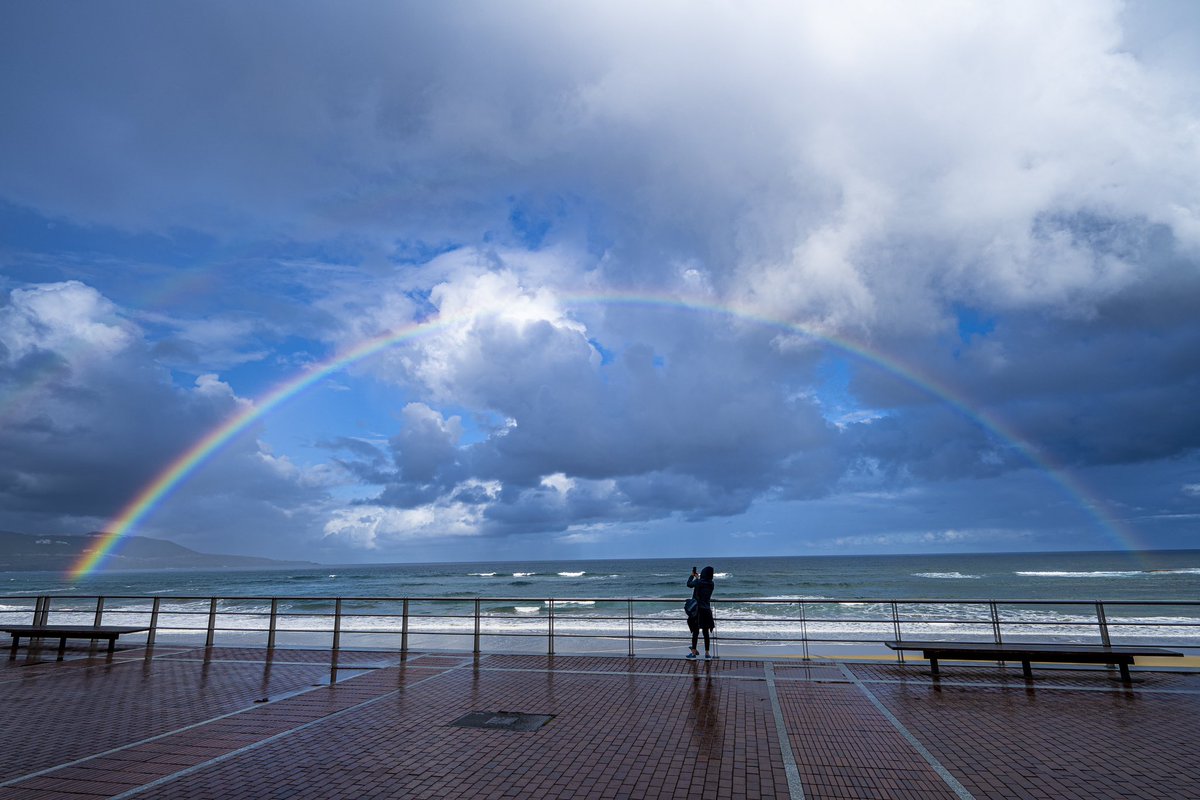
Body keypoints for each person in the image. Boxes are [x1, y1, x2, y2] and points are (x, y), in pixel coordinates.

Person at [686, 565, 716, 659]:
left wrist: (692, 576)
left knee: (695, 632)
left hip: (698, 611)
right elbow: (703, 584)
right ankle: (707, 654)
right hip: (707, 611)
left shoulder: (698, 582)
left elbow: (689, 584)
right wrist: (698, 578)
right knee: (706, 632)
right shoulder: (711, 584)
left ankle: (694, 653)